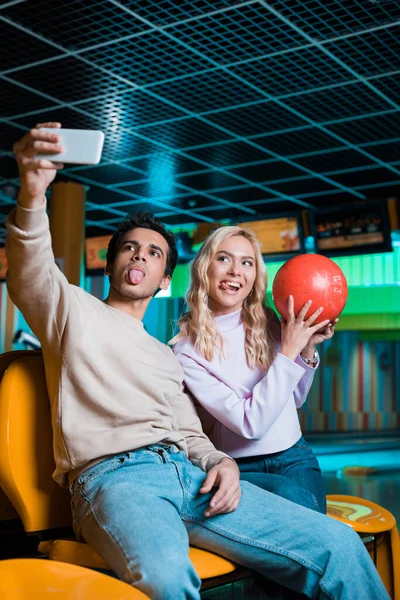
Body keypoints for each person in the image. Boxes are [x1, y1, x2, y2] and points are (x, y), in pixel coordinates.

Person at [5, 122, 389, 600]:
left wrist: (222, 462)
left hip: (191, 475)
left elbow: (188, 433)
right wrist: (33, 195)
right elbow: (30, 272)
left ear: (164, 277)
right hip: (114, 480)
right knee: (168, 578)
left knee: (337, 543)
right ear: (111, 262)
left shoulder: (164, 355)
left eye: (153, 252)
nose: (139, 256)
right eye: (130, 247)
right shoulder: (71, 311)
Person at [172, 226, 333, 514]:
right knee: (299, 531)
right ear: (204, 268)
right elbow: (252, 425)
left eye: (246, 262)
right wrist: (289, 351)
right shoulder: (187, 351)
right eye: (224, 259)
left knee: (313, 535)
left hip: (295, 457)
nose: (236, 271)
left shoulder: (268, 320)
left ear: (254, 276)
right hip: (240, 467)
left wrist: (306, 348)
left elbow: (294, 399)